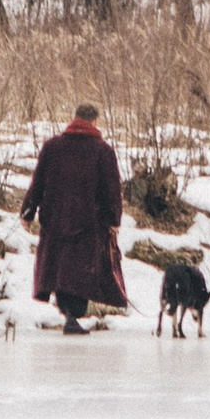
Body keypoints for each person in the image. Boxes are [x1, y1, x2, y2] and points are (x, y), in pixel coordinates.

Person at [20, 103, 128, 333]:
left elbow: (37, 182)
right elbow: (111, 190)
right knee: (78, 270)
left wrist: (28, 212)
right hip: (89, 222)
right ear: (95, 121)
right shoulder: (103, 151)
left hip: (54, 218)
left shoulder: (52, 147)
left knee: (61, 268)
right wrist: (114, 220)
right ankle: (72, 315)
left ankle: (69, 314)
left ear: (74, 118)